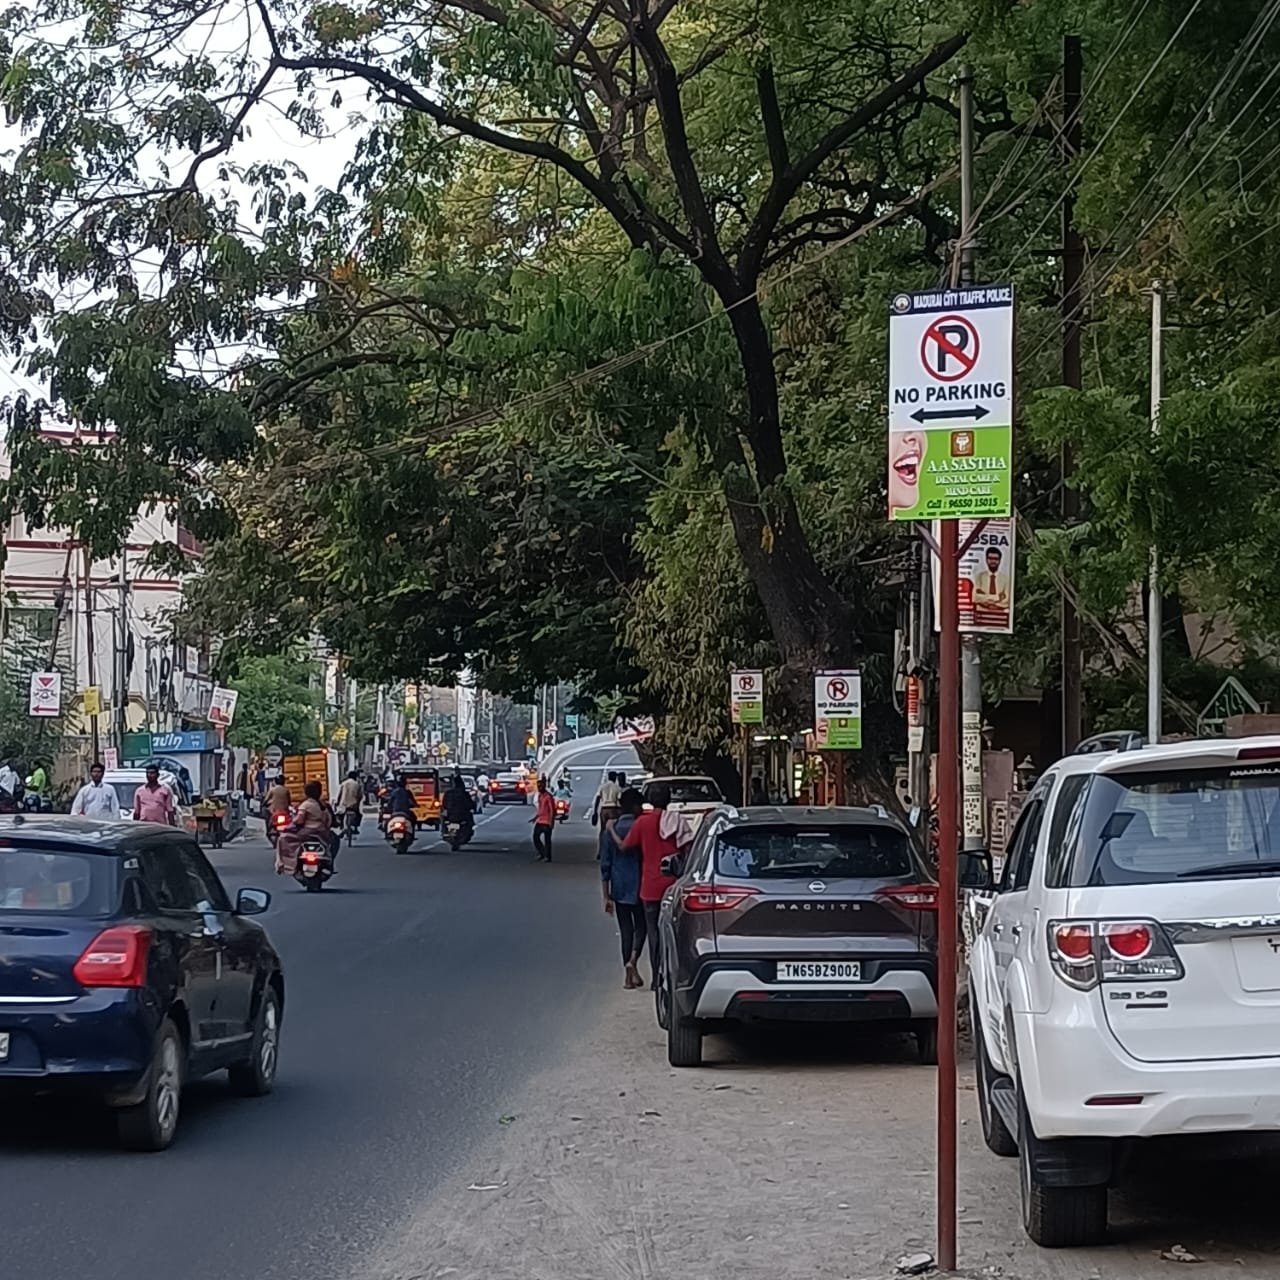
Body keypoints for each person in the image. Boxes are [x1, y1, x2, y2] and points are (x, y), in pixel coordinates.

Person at [622, 782, 694, 988]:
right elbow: (688, 850)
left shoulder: (642, 823)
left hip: (650, 888)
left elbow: (626, 846)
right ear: (669, 800)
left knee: (653, 932)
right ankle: (675, 974)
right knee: (676, 932)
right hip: (672, 885)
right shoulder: (677, 821)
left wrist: (610, 831)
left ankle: (656, 978)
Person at [601, 788, 646, 989]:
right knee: (641, 926)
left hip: (619, 886)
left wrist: (606, 896)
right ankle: (633, 960)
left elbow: (605, 866)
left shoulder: (610, 830)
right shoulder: (640, 827)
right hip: (640, 884)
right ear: (635, 807)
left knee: (625, 928)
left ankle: (628, 974)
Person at [276, 780, 333, 875]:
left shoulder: (306, 805)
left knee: (283, 838)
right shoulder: (324, 805)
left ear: (306, 793)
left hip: (307, 833)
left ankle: (286, 865)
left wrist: (293, 821)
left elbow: (299, 820)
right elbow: (329, 821)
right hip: (322, 833)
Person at [442, 773, 476, 838]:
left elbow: (444, 804)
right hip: (460, 815)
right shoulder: (464, 794)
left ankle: (444, 830)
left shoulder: (448, 793)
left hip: (452, 814)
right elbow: (470, 803)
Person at [531, 776, 556, 862]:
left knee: (547, 840)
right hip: (540, 820)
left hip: (547, 821)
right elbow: (540, 809)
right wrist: (535, 818)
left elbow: (552, 810)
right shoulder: (540, 796)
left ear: (544, 786)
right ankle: (542, 853)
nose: (539, 788)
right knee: (535, 837)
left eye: (540, 786)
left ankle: (548, 857)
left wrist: (551, 822)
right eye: (538, 786)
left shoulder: (548, 796)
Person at [336, 769, 362, 836]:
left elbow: (340, 794)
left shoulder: (344, 783)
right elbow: (360, 796)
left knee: (340, 815)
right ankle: (355, 828)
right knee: (358, 815)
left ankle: (341, 827)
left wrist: (337, 802)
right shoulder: (357, 784)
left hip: (343, 804)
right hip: (353, 805)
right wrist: (358, 803)